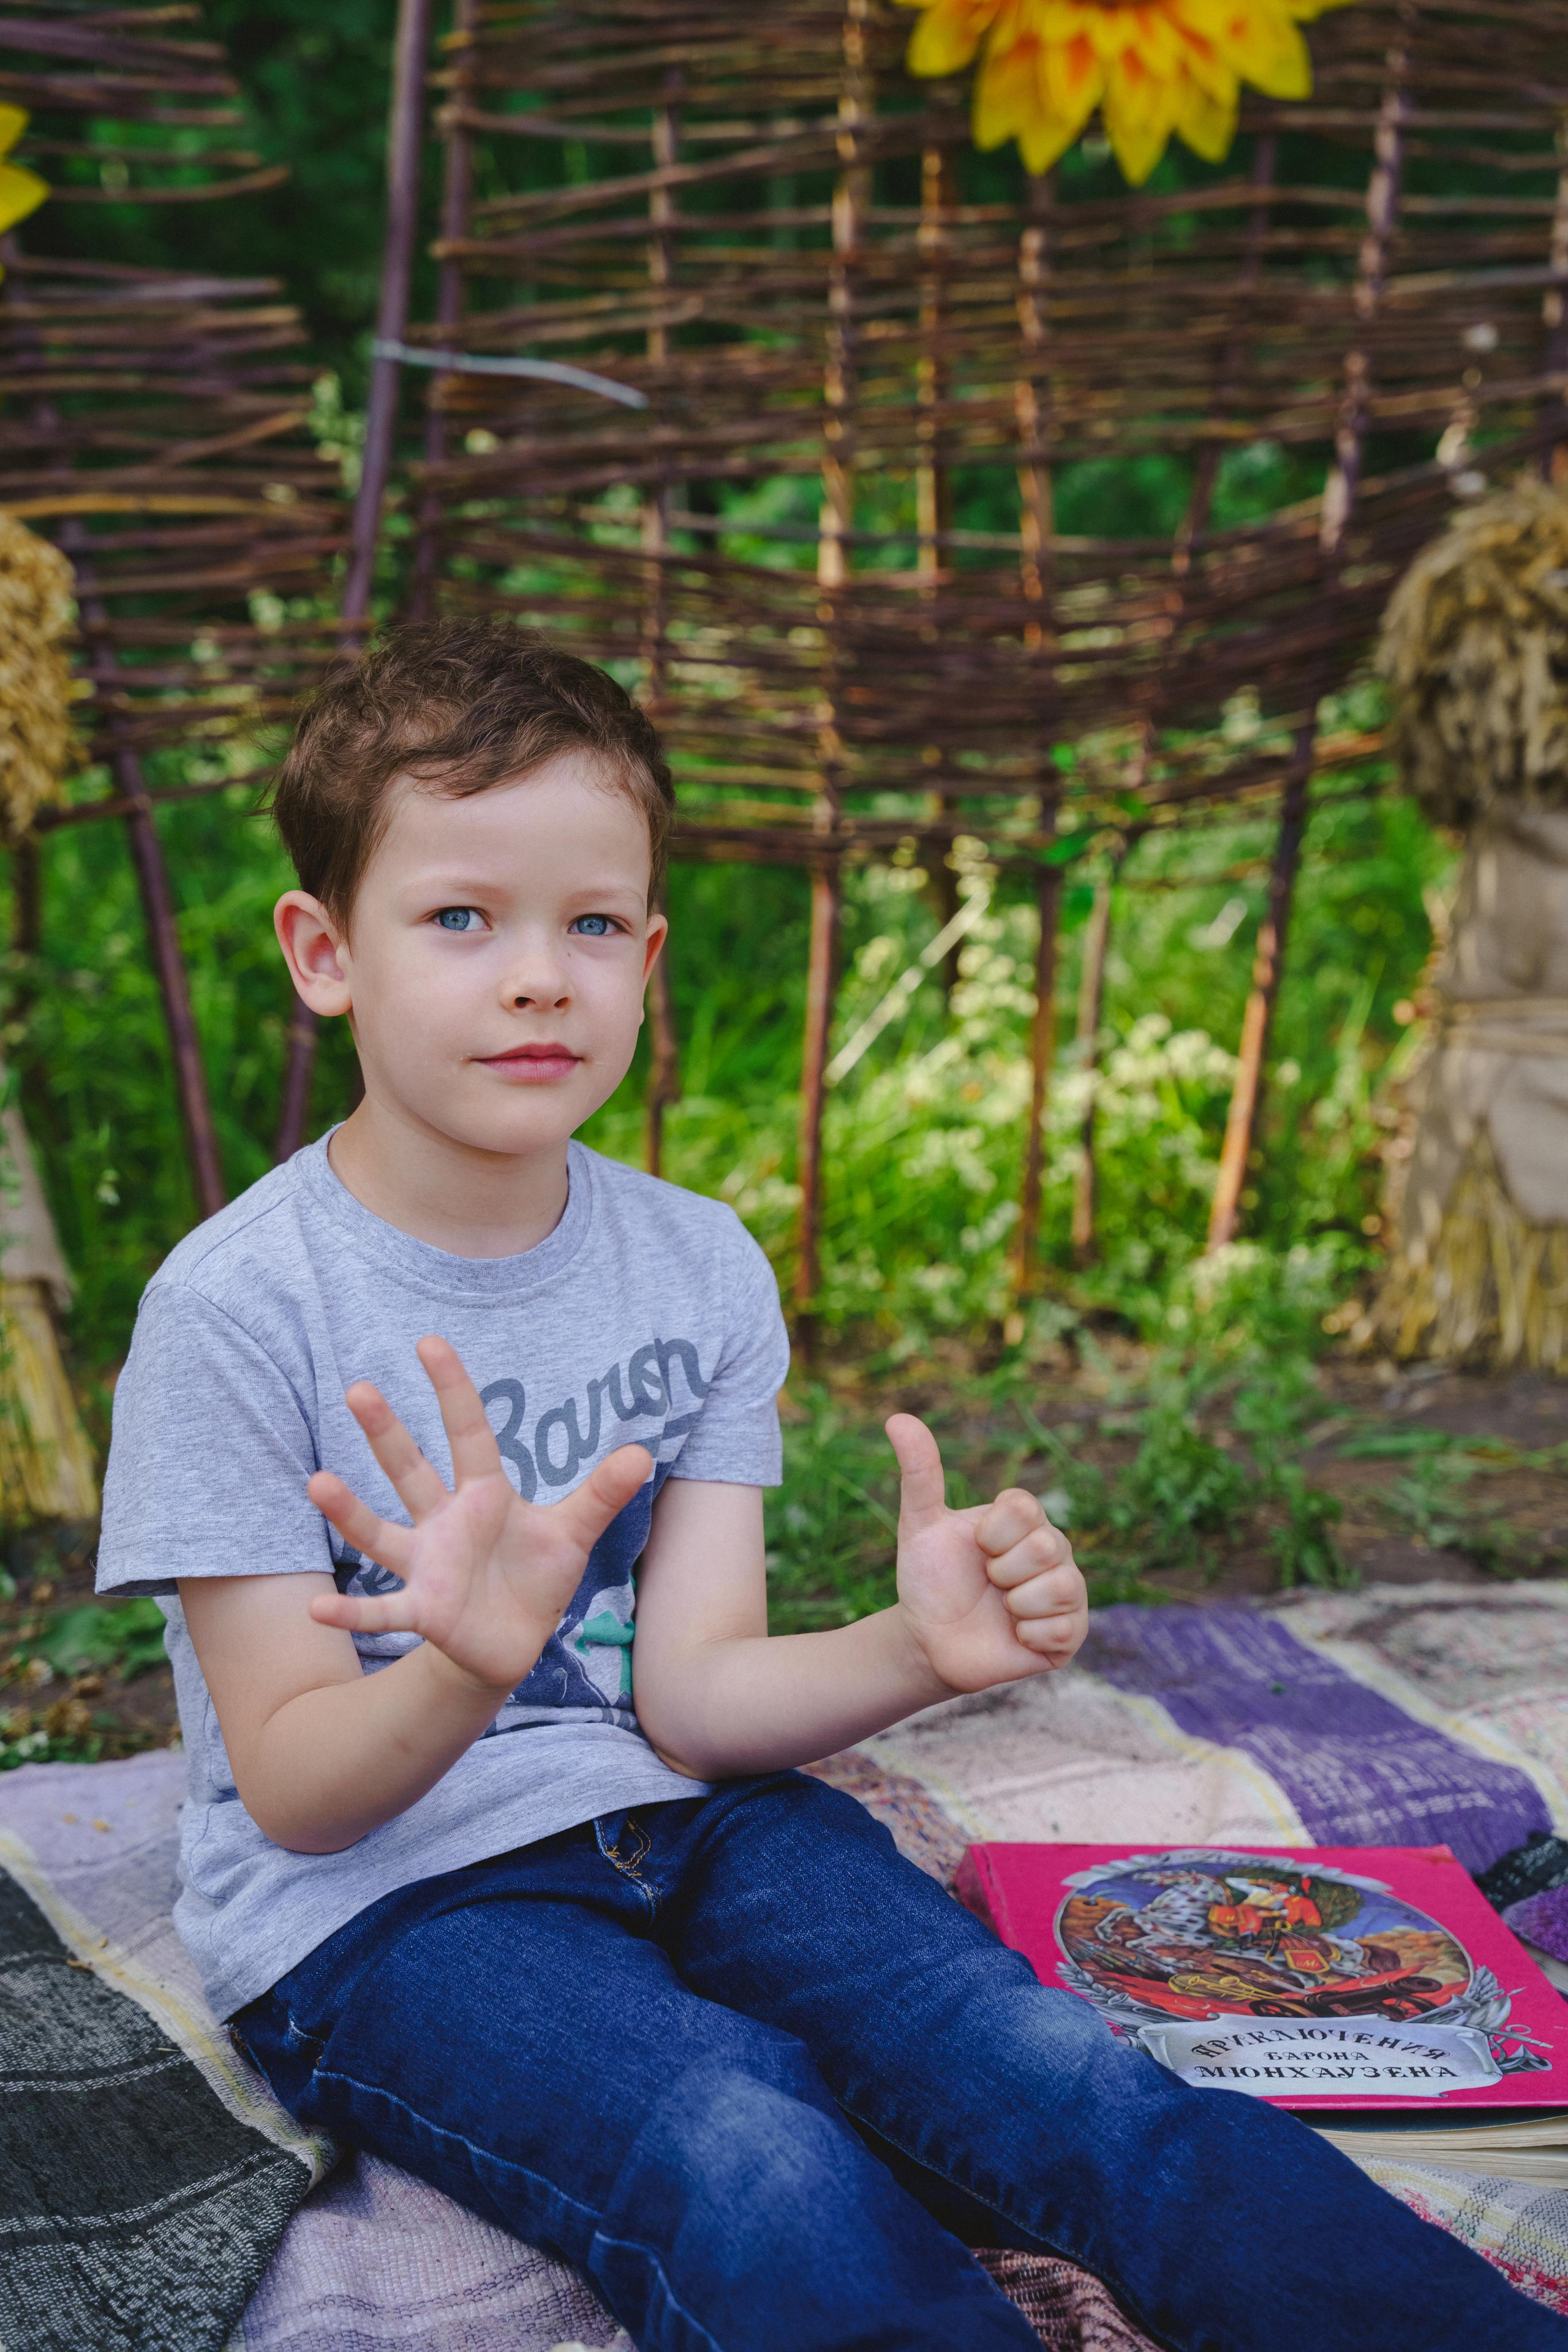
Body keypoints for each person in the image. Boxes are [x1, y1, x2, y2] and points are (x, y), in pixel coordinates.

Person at [97, 621, 1565, 2352]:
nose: (536, 977)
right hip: (392, 1909)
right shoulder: (235, 1308)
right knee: (752, 2147)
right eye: (460, 918)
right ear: (324, 952)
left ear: (646, 952)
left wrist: (911, 1649)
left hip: (701, 1822)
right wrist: (467, 1665)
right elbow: (293, 1792)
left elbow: (700, 1698)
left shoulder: (695, 1266)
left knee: (1075, 2082)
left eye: (589, 925)